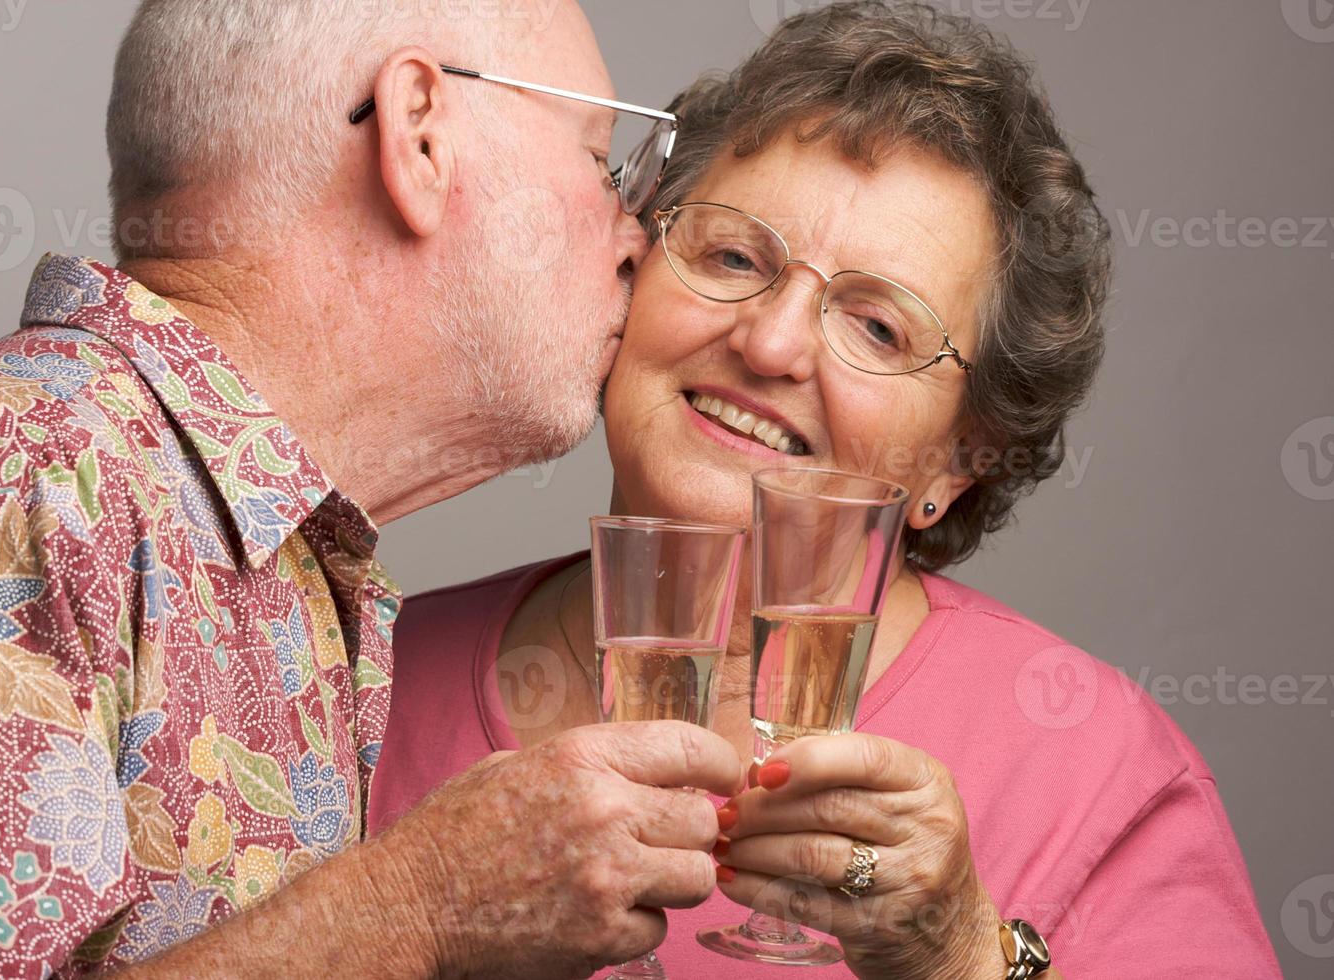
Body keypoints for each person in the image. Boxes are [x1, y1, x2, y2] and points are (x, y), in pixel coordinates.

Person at [370, 3, 1283, 977]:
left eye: (877, 327)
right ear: (631, 262)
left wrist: (967, 958)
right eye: (731, 256)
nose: (768, 343)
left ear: (959, 456)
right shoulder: (364, 677)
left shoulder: (1092, 763)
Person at [0, 1, 745, 976]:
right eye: (600, 158)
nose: (634, 236)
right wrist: (423, 904)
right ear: (418, 133)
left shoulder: (282, 552)